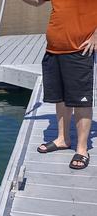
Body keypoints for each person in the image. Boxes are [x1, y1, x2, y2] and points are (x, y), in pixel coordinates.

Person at [22, 0, 97, 169]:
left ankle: (82, 149)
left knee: (80, 100)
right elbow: (35, 1)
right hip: (54, 49)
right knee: (60, 98)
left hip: (80, 49)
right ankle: (63, 139)